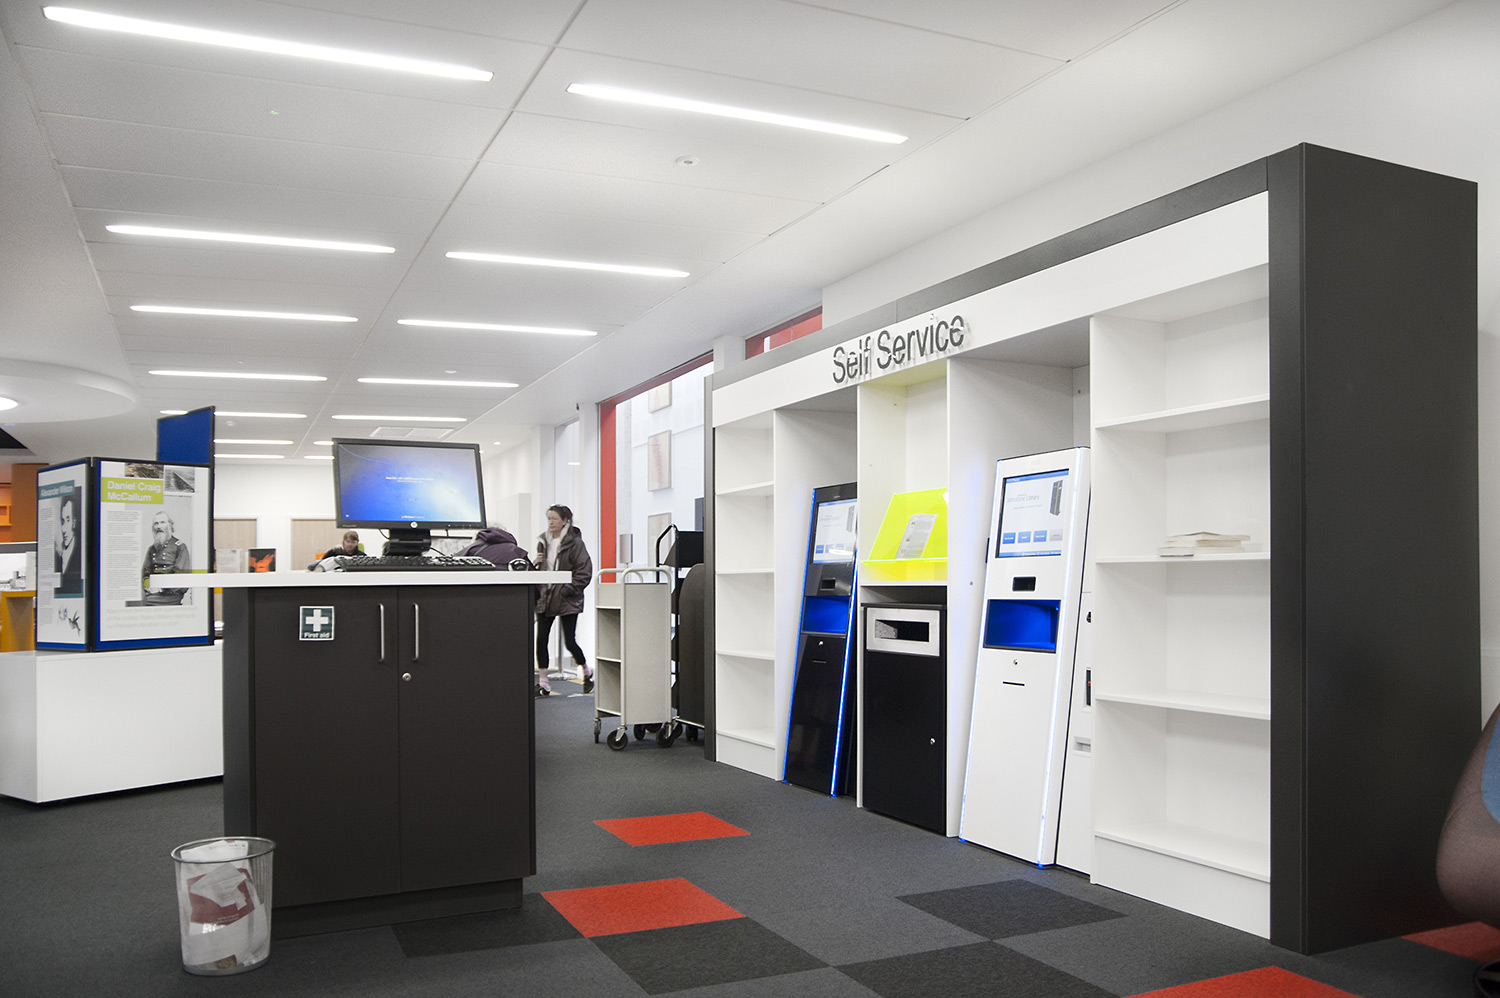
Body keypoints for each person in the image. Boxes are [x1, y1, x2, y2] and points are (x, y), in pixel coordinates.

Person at [533, 504, 592, 697]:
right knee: (541, 639)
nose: (551, 522)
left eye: (555, 519)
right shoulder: (543, 541)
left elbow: (584, 571)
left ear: (565, 521)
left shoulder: (575, 544)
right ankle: (544, 683)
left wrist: (568, 589)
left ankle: (586, 670)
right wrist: (535, 563)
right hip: (546, 595)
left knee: (570, 641)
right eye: (549, 518)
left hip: (567, 597)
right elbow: (541, 570)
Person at [141, 509, 191, 605]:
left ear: (170, 525)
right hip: (152, 591)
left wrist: (161, 588)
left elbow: (181, 575)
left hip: (171, 593)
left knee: (141, 603)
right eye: (156, 523)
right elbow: (145, 571)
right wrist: (147, 584)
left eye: (162, 522)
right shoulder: (152, 549)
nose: (159, 526)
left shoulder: (179, 547)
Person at [53, 494, 81, 595]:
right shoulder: (58, 555)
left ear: (74, 523)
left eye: (68, 520)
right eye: (63, 521)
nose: (64, 529)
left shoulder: (80, 554)